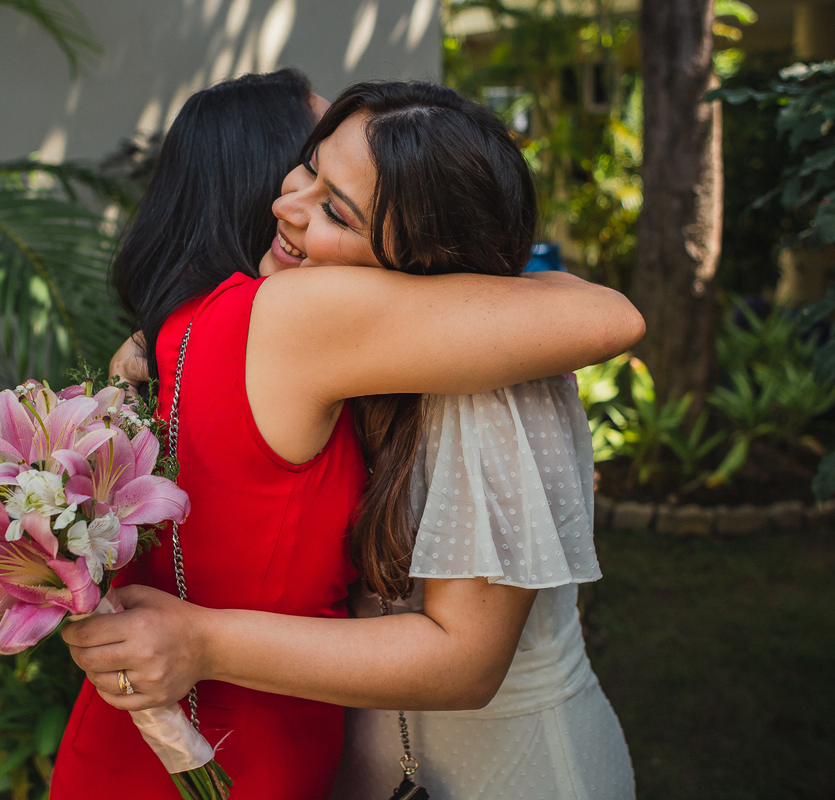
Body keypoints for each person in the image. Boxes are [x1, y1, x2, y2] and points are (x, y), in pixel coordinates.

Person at [60, 79, 644, 800]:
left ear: (420, 260)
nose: (285, 204)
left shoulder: (489, 379)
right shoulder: (309, 345)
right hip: (316, 753)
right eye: (306, 166)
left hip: (500, 766)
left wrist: (203, 640)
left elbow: (614, 318)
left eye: (337, 209)